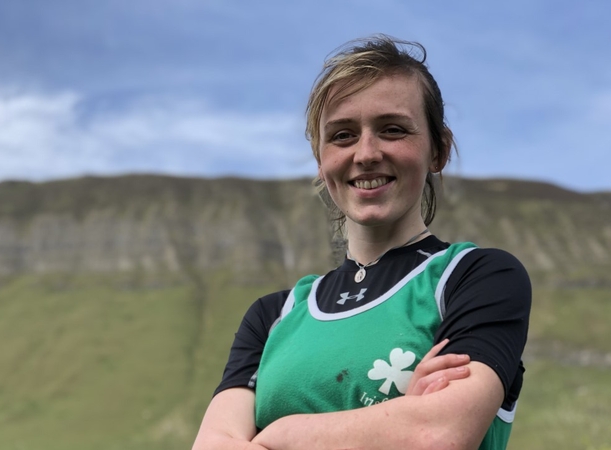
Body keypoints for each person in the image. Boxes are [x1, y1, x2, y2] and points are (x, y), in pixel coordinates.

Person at [191, 35, 531, 450]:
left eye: (392, 130)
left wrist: (278, 434)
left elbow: (436, 434)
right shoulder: (273, 316)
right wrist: (395, 417)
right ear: (321, 161)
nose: (366, 153)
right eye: (342, 135)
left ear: (438, 149)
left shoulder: (477, 278)